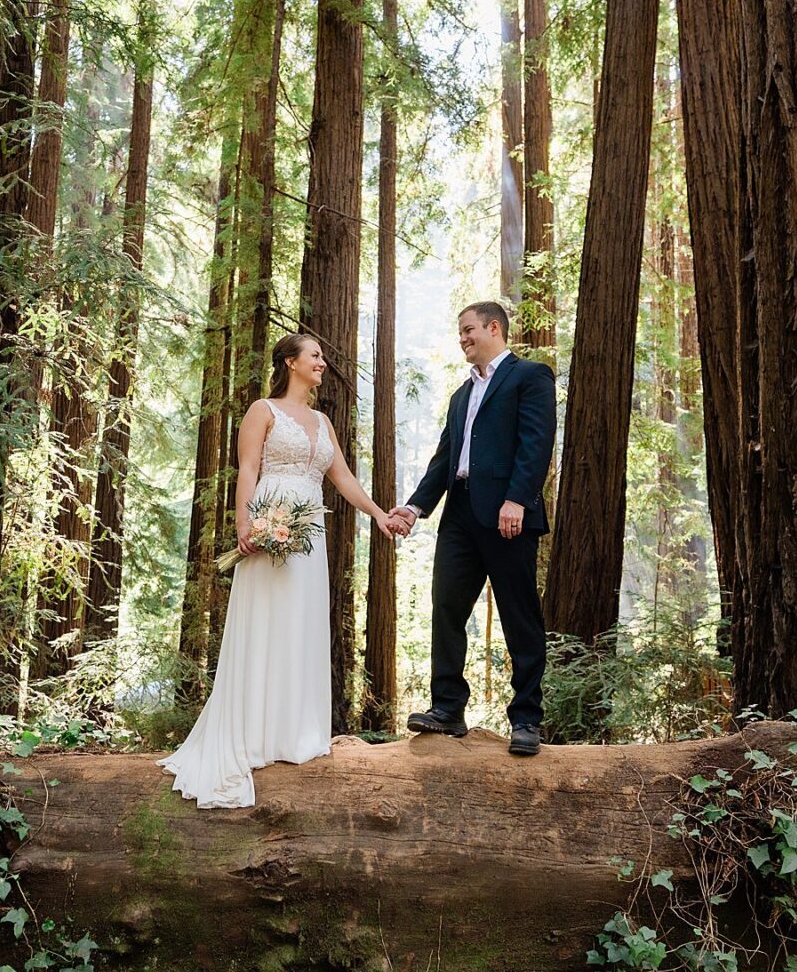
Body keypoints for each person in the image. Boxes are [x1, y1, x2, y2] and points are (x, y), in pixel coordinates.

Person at [159, 333, 400, 808]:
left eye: (323, 357)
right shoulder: (262, 411)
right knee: (267, 622)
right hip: (271, 522)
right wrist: (245, 520)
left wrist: (377, 513)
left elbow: (343, 478)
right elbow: (248, 467)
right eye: (315, 355)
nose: (322, 363)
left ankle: (296, 733)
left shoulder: (324, 421)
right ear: (291, 362)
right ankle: (255, 734)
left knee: (301, 623)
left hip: (309, 533)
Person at [388, 301, 557, 756]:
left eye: (468, 330)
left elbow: (536, 443)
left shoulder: (530, 376)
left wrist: (517, 499)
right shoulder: (461, 396)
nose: (462, 338)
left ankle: (526, 719)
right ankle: (447, 709)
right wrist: (414, 508)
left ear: (493, 327)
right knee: (446, 606)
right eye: (459, 332)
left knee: (519, 616)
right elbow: (445, 458)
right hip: (460, 516)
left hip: (508, 514)